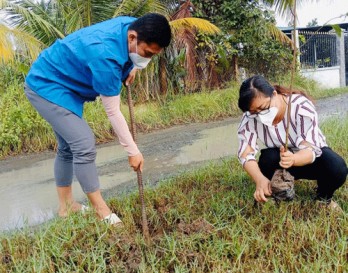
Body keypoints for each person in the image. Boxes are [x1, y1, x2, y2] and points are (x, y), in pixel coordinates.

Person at [24, 13, 172, 225]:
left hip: (67, 82)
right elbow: (113, 111)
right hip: (46, 84)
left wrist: (135, 66)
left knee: (67, 147)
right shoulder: (105, 56)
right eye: (146, 53)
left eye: (152, 56)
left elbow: (131, 55)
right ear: (132, 38)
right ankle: (101, 211)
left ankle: (66, 207)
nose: (147, 59)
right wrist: (132, 151)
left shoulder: (132, 26)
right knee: (83, 144)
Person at [237, 75, 347, 210]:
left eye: (263, 108)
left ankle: (323, 198)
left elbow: (310, 148)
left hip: (309, 158)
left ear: (274, 94)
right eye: (254, 112)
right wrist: (259, 179)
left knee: (336, 167)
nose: (259, 115)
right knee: (267, 159)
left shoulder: (300, 106)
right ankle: (277, 192)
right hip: (281, 160)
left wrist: (294, 159)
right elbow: (245, 154)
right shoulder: (250, 118)